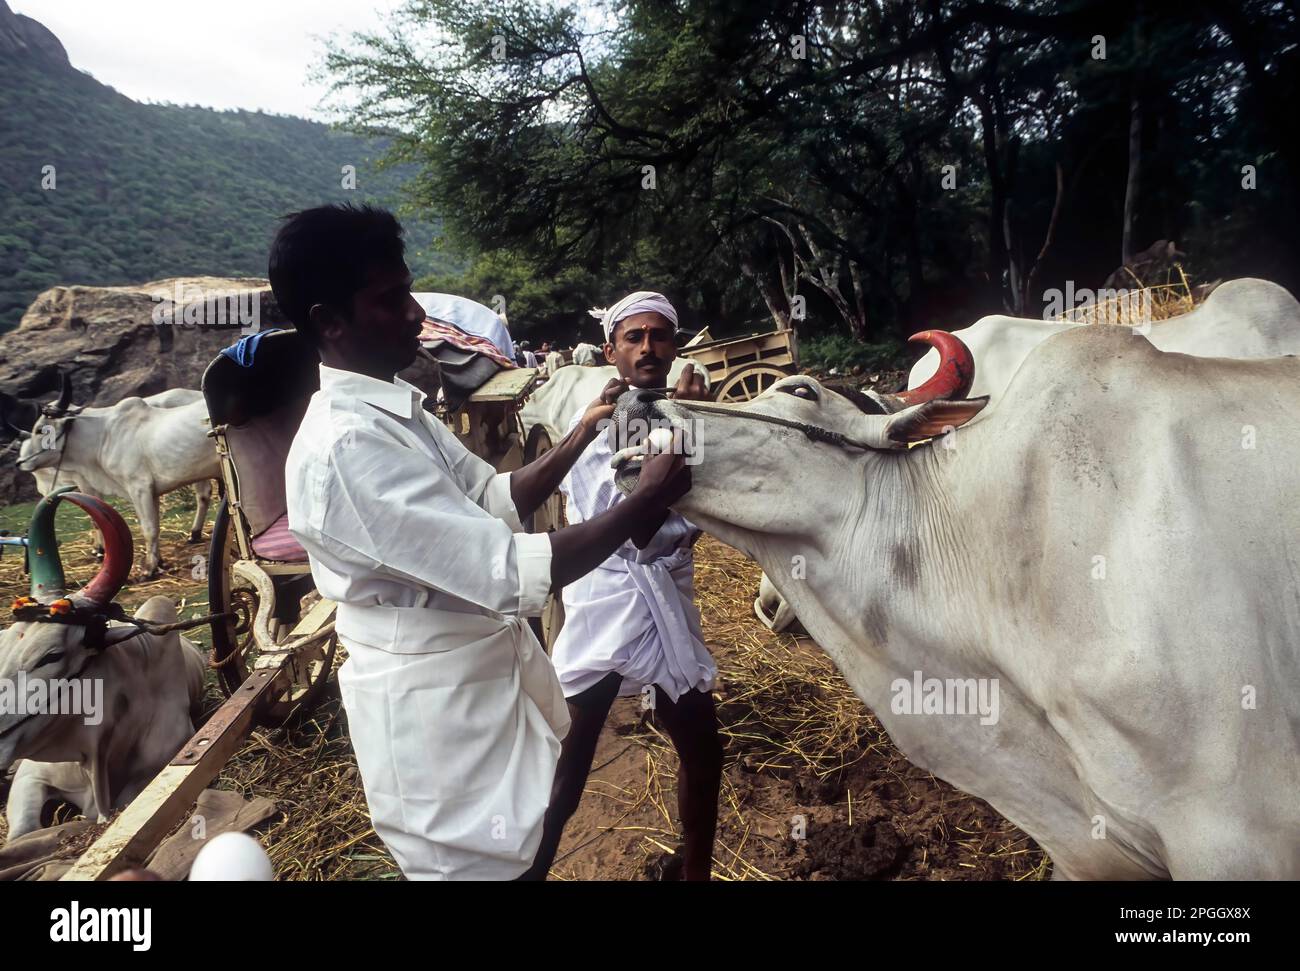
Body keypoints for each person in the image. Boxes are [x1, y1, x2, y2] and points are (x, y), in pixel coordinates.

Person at [270, 205, 691, 880]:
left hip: (475, 685)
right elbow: (503, 569)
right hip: (434, 720)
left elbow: (492, 498)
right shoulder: (347, 447)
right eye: (389, 299)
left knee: (519, 845)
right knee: (477, 865)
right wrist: (646, 499)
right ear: (329, 322)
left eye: (409, 291)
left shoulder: (399, 410)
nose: (415, 314)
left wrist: (580, 433)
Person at [522, 290, 722, 881]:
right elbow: (638, 534)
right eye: (633, 338)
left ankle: (696, 872)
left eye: (659, 336)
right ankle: (530, 873)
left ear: (675, 345)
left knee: (702, 750)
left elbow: (696, 521)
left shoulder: (692, 416)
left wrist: (691, 424)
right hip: (606, 604)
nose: (648, 348)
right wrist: (684, 433)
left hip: (668, 606)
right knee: (569, 764)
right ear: (611, 351)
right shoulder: (601, 428)